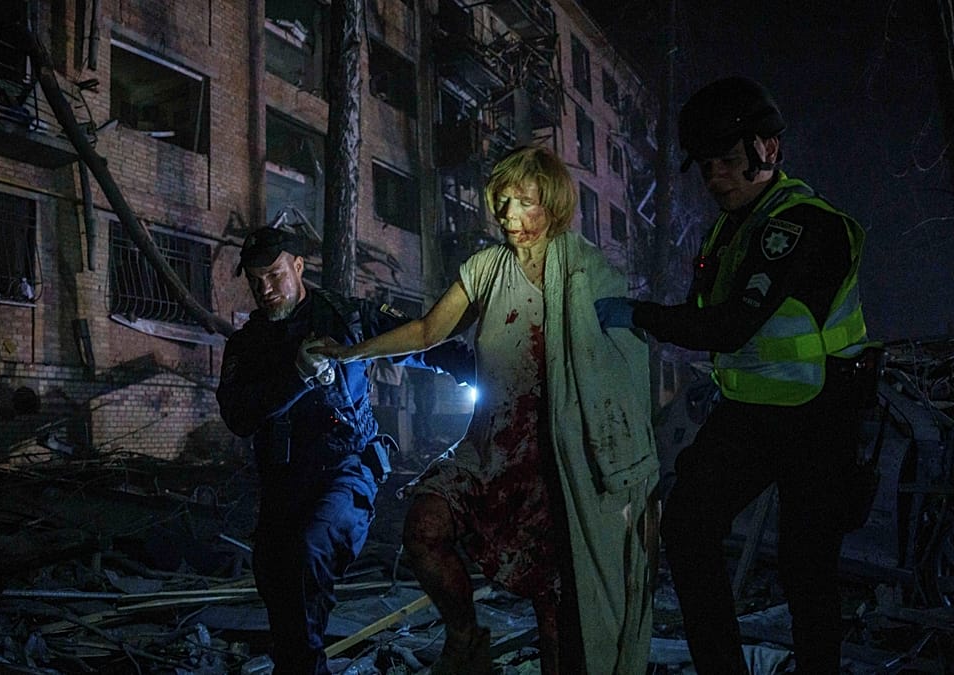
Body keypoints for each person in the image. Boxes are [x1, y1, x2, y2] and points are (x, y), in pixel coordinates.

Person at [315, 145, 659, 675]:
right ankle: (466, 637)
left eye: (524, 202)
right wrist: (352, 352)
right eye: (502, 202)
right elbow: (428, 330)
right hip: (490, 445)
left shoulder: (589, 273)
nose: (509, 216)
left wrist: (626, 468)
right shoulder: (485, 268)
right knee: (425, 526)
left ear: (553, 203)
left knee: (557, 610)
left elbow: (624, 369)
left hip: (560, 459)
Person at [596, 75, 874, 674]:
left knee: (807, 568)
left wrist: (638, 314)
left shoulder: (803, 226)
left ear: (767, 149)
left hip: (820, 413)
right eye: (706, 166)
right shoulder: (733, 227)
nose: (715, 177)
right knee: (688, 526)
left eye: (726, 161)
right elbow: (707, 318)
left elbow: (728, 326)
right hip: (752, 414)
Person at [215, 227, 474, 675]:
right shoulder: (247, 344)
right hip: (283, 483)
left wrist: (480, 368)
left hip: (346, 469)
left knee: (311, 550)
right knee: (276, 580)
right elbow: (239, 416)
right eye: (256, 281)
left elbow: (418, 339)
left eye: (275, 275)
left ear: (298, 267)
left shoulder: (345, 317)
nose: (266, 289)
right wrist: (297, 376)